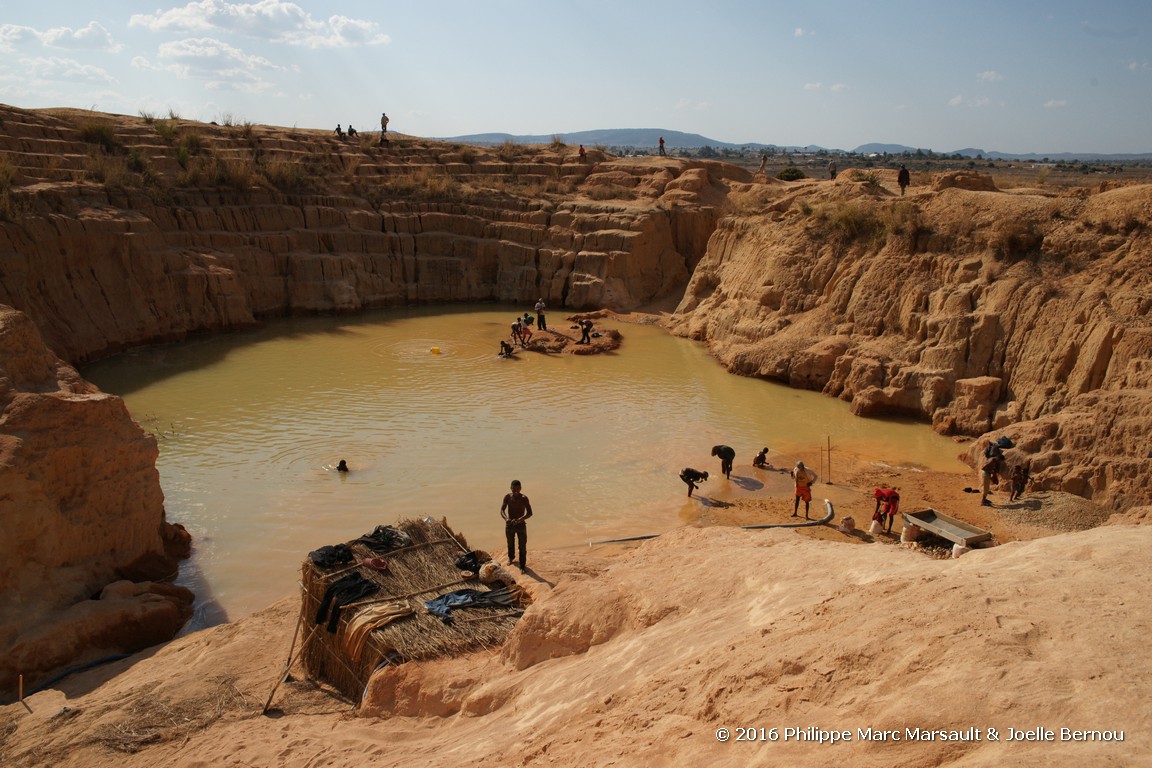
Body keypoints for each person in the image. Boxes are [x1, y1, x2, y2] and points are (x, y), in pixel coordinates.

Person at [500, 480, 533, 569]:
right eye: (514, 488)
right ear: (511, 488)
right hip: (510, 524)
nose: (516, 490)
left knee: (522, 546)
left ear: (521, 488)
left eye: (518, 488)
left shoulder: (524, 498)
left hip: (521, 525)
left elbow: (530, 513)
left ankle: (522, 565)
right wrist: (506, 519)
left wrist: (520, 519)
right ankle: (511, 558)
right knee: (510, 543)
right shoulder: (507, 497)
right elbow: (502, 510)